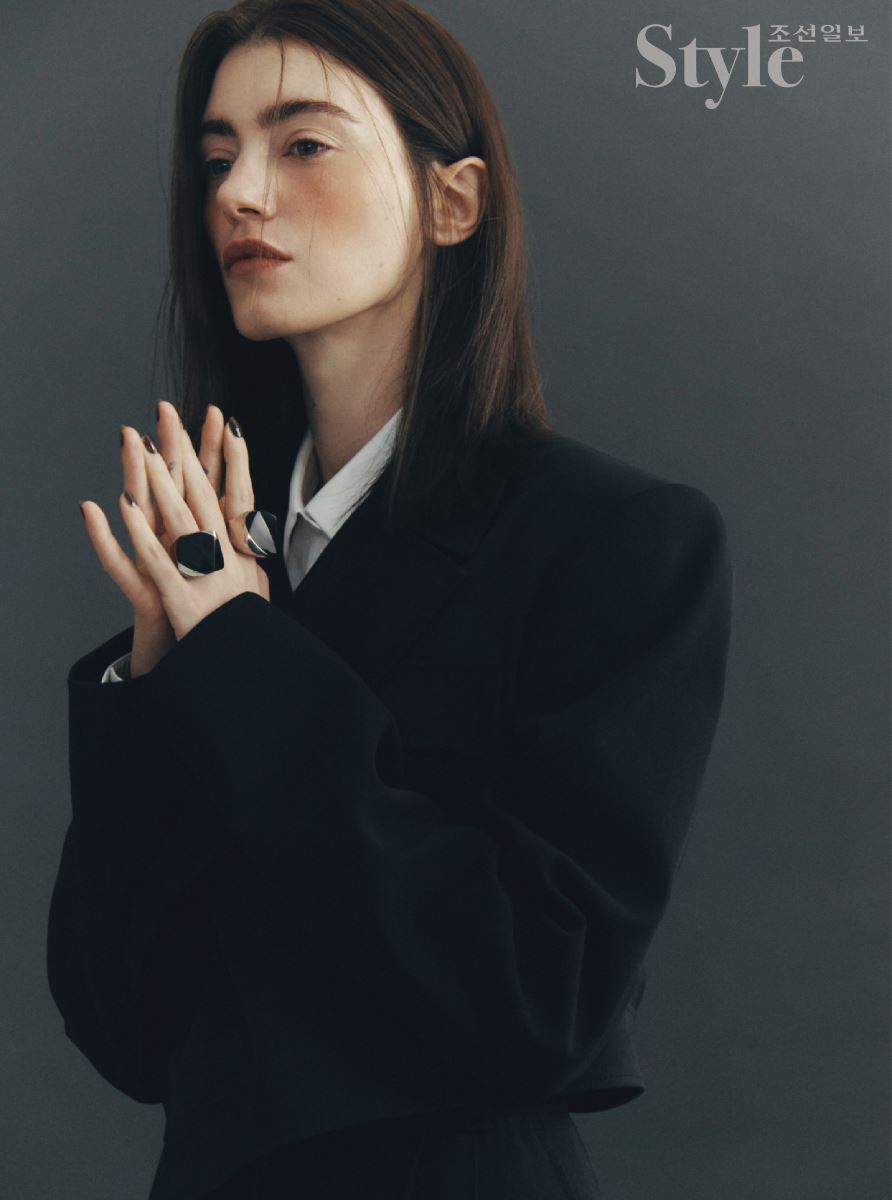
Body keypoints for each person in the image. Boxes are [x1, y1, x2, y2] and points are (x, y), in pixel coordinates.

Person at [45, 2, 733, 1198]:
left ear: (452, 202)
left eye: (302, 143)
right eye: (216, 158)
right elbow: (126, 1032)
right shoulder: (226, 568)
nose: (238, 194)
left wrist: (238, 655)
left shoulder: (613, 541)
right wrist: (164, 674)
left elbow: (541, 1001)